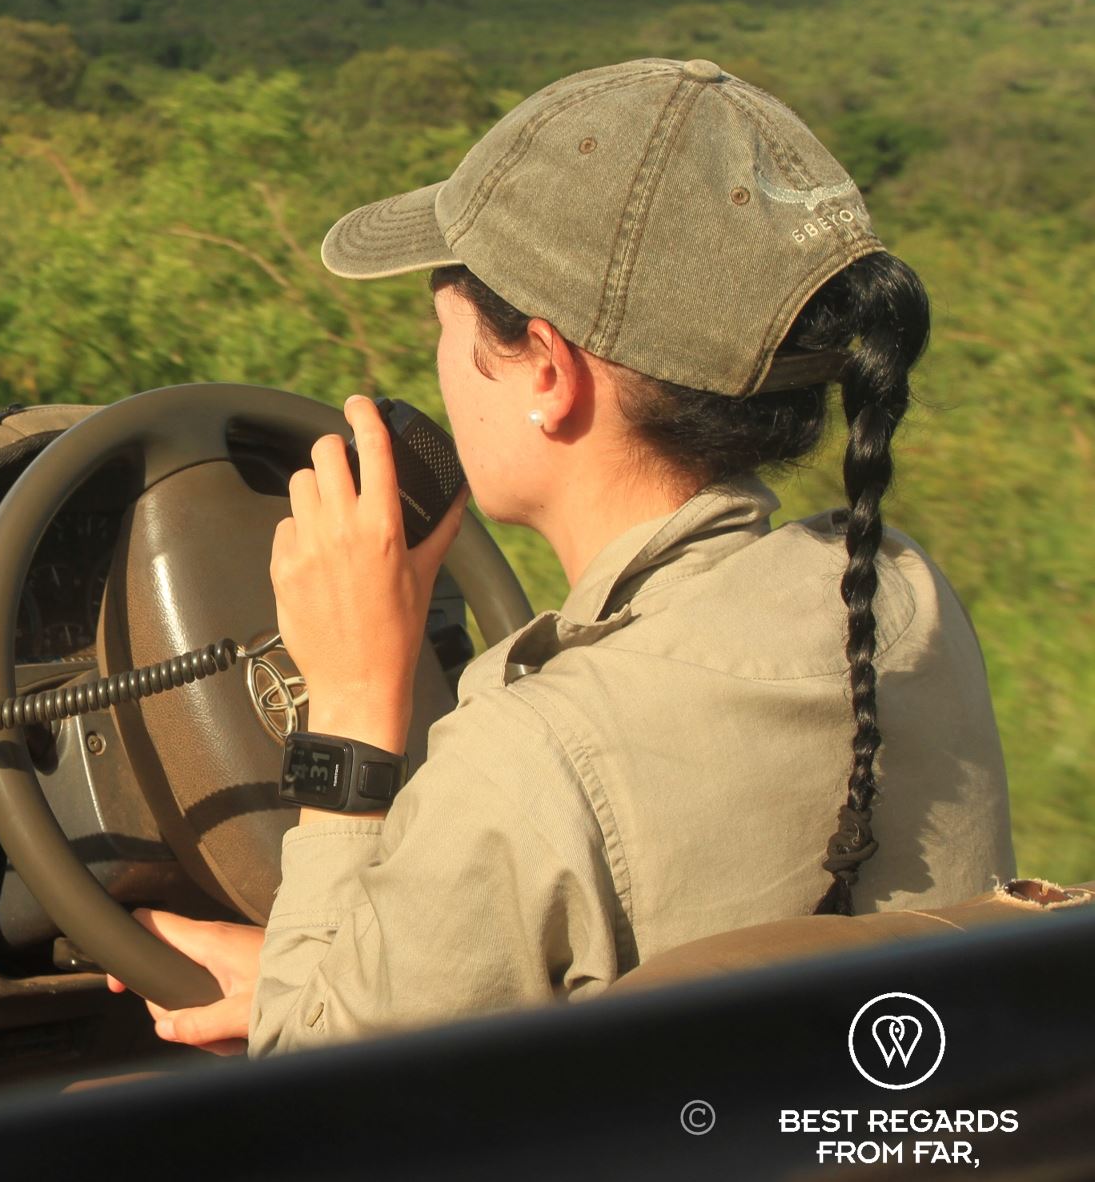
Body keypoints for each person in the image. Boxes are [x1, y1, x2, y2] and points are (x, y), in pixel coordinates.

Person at [108, 57, 1016, 1056]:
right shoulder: (897, 597)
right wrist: (313, 966)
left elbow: (331, 1108)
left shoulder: (529, 758)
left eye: (444, 322)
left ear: (547, 371)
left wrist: (353, 703)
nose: (440, 369)